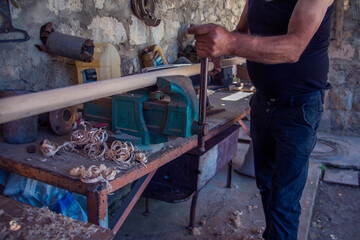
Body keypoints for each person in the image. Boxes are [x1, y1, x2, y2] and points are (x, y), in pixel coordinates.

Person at [187, 0, 334, 239]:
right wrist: (220, 48)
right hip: (263, 101)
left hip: (299, 108)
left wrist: (229, 43)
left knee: (284, 200)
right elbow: (242, 32)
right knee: (265, 183)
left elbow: (293, 47)